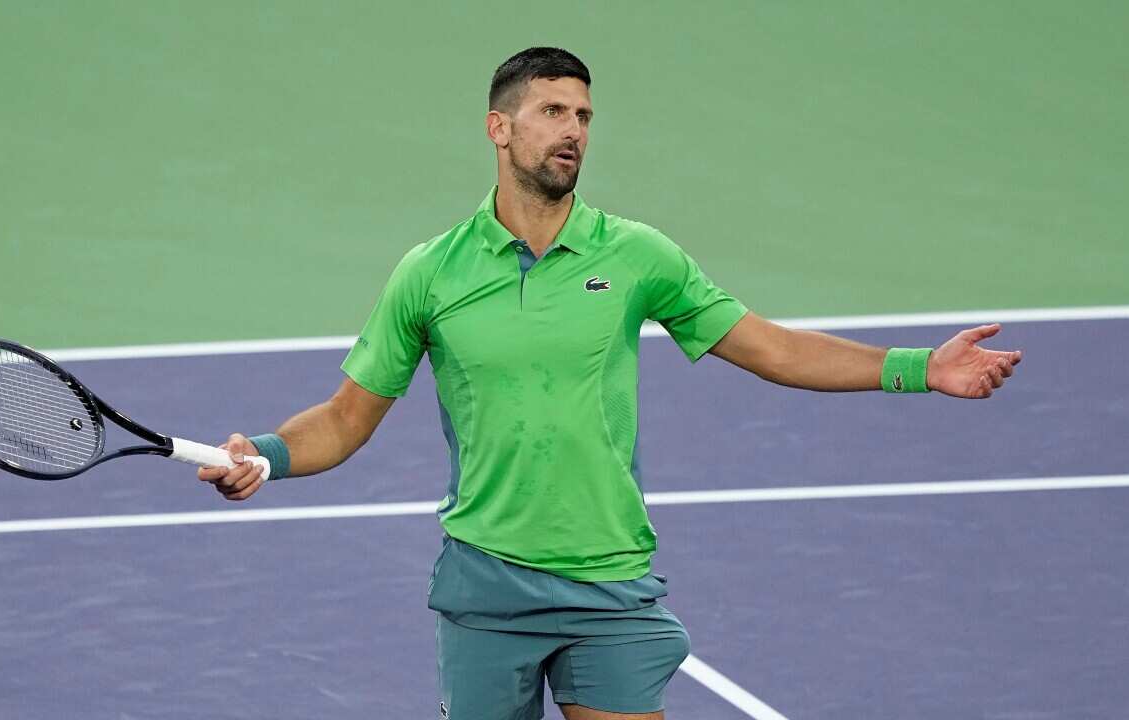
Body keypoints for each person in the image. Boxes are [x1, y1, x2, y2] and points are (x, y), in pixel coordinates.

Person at [197, 47, 1022, 720]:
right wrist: (266, 455)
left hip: (609, 583)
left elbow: (766, 347)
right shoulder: (431, 273)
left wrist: (920, 369)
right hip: (488, 582)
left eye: (584, 116)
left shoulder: (634, 255)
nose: (574, 131)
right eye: (553, 112)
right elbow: (347, 418)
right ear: (499, 126)